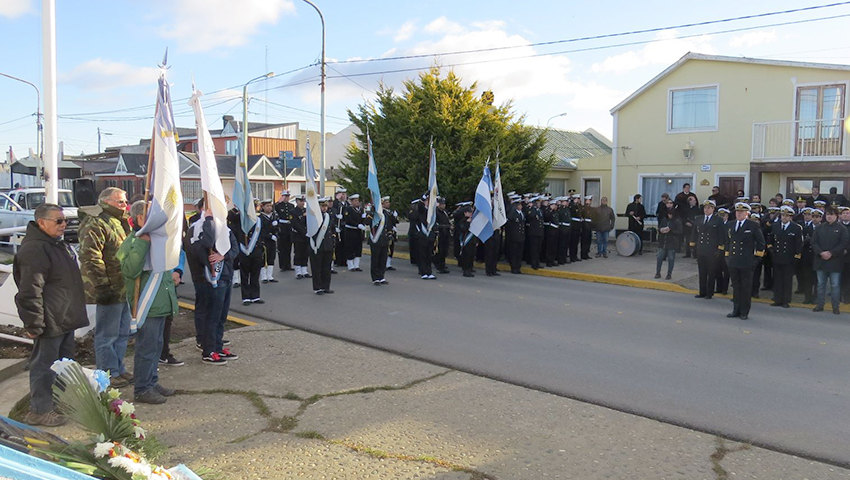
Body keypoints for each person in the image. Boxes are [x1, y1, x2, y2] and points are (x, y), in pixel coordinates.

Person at [14, 204, 88, 426]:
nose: (64, 224)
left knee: (63, 365)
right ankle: (40, 409)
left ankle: (57, 404)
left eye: (64, 220)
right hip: (49, 320)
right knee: (44, 366)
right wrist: (34, 323)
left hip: (65, 317)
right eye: (58, 221)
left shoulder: (56, 245)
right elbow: (29, 290)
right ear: (42, 223)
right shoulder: (35, 250)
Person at [117, 201, 178, 404]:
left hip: (160, 304)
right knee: (147, 348)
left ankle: (151, 381)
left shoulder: (157, 240)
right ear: (140, 218)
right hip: (147, 306)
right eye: (150, 214)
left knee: (156, 346)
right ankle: (143, 388)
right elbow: (129, 270)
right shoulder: (133, 241)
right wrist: (142, 242)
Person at [79, 187, 133, 388]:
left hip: (123, 286)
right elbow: (91, 257)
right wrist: (102, 286)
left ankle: (119, 369)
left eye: (125, 202)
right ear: (106, 201)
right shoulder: (96, 222)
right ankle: (107, 373)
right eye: (120, 202)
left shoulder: (119, 222)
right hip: (109, 288)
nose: (124, 205)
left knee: (122, 333)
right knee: (107, 335)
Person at [190, 203, 239, 365]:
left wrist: (223, 256)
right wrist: (208, 220)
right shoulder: (197, 228)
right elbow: (206, 245)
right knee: (211, 316)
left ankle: (217, 346)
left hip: (225, 276)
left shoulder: (224, 228)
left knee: (221, 316)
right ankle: (208, 350)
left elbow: (234, 248)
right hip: (208, 279)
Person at [725, 203, 766, 320]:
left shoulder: (752, 225)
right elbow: (728, 241)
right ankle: (735, 310)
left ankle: (744, 312)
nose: (739, 213)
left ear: (747, 213)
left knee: (746, 288)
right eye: (737, 211)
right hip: (734, 260)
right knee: (736, 287)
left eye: (742, 212)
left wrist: (756, 259)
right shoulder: (731, 224)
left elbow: (761, 243)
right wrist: (727, 257)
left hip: (747, 261)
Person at [811, 206, 849, 314]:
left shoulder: (842, 229)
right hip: (821, 261)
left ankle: (835, 307)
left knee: (835, 285)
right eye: (827, 214)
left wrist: (831, 253)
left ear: (837, 216)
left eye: (832, 215)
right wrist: (821, 252)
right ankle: (820, 304)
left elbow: (843, 243)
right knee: (820, 284)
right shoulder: (819, 228)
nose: (829, 217)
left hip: (835, 262)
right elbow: (814, 242)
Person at [769, 205, 802, 308]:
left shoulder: (796, 228)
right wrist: (771, 249)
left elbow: (798, 243)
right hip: (777, 257)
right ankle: (777, 299)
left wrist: (797, 256)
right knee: (777, 279)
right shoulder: (775, 226)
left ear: (791, 217)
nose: (784, 217)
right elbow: (770, 239)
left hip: (789, 258)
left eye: (787, 216)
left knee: (787, 280)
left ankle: (786, 300)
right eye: (783, 215)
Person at [690, 199, 724, 298]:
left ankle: (709, 292)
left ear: (713, 209)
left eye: (709, 208)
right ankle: (702, 291)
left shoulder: (718, 220)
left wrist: (720, 248)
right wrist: (692, 245)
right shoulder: (699, 219)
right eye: (705, 208)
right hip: (701, 248)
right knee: (702, 271)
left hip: (712, 249)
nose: (706, 210)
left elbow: (721, 235)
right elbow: (694, 233)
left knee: (711, 272)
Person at [236, 201, 264, 306]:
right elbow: (236, 232)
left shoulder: (259, 221)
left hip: (256, 250)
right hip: (244, 250)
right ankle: (246, 297)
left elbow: (263, 234)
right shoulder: (241, 220)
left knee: (255, 274)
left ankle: (255, 296)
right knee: (244, 274)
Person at [309, 197, 336, 294]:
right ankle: (317, 287)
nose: (324, 208)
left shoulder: (329, 216)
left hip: (327, 245)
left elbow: (332, 229)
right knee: (317, 268)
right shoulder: (313, 217)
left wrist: (333, 239)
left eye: (326, 206)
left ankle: (326, 286)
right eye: (322, 206)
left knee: (326, 268)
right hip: (317, 245)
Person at [366, 198, 391, 285]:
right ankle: (375, 278)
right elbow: (367, 222)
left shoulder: (385, 214)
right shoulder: (373, 213)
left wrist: (390, 234)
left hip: (384, 239)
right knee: (375, 259)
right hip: (375, 239)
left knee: (383, 259)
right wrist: (372, 212)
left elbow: (388, 226)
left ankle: (381, 276)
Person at [655, 200, 681, 280]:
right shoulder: (664, 220)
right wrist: (661, 230)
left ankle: (669, 274)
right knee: (659, 258)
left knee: (671, 258)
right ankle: (657, 272)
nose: (669, 216)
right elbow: (660, 227)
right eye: (668, 214)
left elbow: (680, 232)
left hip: (672, 242)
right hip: (663, 241)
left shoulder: (677, 221)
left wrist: (671, 230)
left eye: (671, 214)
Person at [343, 194, 366, 271]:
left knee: (358, 248)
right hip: (350, 231)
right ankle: (350, 265)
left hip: (358, 231)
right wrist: (357, 225)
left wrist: (363, 223)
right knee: (350, 247)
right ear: (351, 202)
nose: (357, 202)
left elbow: (363, 219)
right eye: (355, 201)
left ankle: (356, 265)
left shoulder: (361, 210)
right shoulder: (348, 209)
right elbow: (348, 219)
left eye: (358, 201)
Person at [291, 195, 311, 279]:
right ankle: (298, 271)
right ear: (296, 201)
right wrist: (304, 232)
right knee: (298, 253)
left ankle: (304, 270)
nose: (302, 203)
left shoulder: (307, 211)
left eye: (303, 201)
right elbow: (295, 224)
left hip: (306, 236)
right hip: (298, 236)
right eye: (300, 201)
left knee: (305, 253)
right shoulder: (293, 212)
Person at [258, 200, 278, 283]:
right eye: (267, 206)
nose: (269, 207)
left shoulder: (274, 216)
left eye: (270, 206)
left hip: (272, 241)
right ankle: (263, 276)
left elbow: (278, 227)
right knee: (264, 258)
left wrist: (276, 232)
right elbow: (261, 230)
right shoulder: (260, 218)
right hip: (264, 241)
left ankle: (270, 275)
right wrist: (270, 236)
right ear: (263, 207)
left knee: (271, 257)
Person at [274, 190, 294, 272]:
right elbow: (272, 209)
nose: (287, 198)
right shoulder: (278, 205)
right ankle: (282, 265)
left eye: (288, 196)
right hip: (282, 228)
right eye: (285, 196)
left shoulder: (291, 205)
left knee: (288, 248)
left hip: (289, 228)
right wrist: (278, 202)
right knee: (282, 248)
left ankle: (288, 264)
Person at [506, 198, 526, 274]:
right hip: (514, 236)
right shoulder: (513, 213)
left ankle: (518, 267)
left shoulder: (522, 213)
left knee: (519, 253)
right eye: (519, 205)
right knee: (514, 253)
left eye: (521, 205)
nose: (520, 206)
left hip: (521, 236)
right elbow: (509, 224)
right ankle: (513, 267)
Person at [456, 206, 476, 277]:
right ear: (465, 213)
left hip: (472, 241)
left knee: (471, 256)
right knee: (466, 256)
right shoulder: (463, 220)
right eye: (469, 212)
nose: (471, 214)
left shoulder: (473, 220)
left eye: (471, 212)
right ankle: (466, 270)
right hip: (466, 241)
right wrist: (467, 223)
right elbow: (463, 229)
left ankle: (470, 268)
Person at [715, 207, 731, 294]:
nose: (722, 217)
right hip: (718, 250)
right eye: (720, 216)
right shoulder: (717, 224)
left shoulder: (729, 225)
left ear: (727, 216)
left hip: (726, 250)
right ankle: (719, 288)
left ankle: (725, 289)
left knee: (726, 271)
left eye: (723, 216)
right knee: (717, 270)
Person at [433, 197, 451, 274]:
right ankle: (440, 266)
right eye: (441, 204)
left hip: (446, 234)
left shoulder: (444, 212)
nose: (443, 205)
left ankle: (442, 264)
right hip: (440, 234)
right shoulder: (436, 212)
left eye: (444, 204)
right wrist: (445, 226)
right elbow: (436, 225)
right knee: (440, 251)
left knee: (444, 251)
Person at [331, 188, 348, 268]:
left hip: (344, 226)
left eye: (344, 194)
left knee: (345, 244)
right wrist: (336, 216)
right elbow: (333, 211)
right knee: (338, 244)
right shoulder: (336, 203)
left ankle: (344, 260)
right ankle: (337, 260)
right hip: (337, 225)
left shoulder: (346, 203)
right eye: (342, 194)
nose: (343, 196)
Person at [526, 196, 544, 269]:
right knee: (534, 249)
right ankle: (534, 264)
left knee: (538, 249)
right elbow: (531, 216)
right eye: (537, 203)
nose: (539, 204)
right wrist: (533, 208)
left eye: (539, 203)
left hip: (539, 232)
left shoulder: (540, 210)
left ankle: (537, 262)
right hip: (534, 232)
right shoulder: (532, 210)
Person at [382, 197, 399, 271]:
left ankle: (388, 264)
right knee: (385, 248)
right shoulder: (382, 212)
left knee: (391, 248)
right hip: (385, 232)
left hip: (391, 232)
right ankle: (383, 264)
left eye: (388, 202)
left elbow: (396, 221)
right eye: (386, 202)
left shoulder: (390, 212)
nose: (388, 204)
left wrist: (395, 217)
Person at [543, 200, 559, 267]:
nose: (555, 206)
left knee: (554, 247)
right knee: (549, 246)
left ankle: (552, 260)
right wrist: (551, 210)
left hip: (555, 230)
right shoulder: (548, 211)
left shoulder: (555, 212)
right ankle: (549, 261)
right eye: (554, 205)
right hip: (550, 230)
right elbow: (547, 218)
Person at [580, 196, 594, 260]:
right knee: (584, 241)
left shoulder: (590, 208)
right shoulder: (583, 208)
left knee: (588, 240)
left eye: (590, 200)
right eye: (589, 200)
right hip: (585, 225)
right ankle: (583, 254)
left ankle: (586, 253)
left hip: (589, 225)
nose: (590, 202)